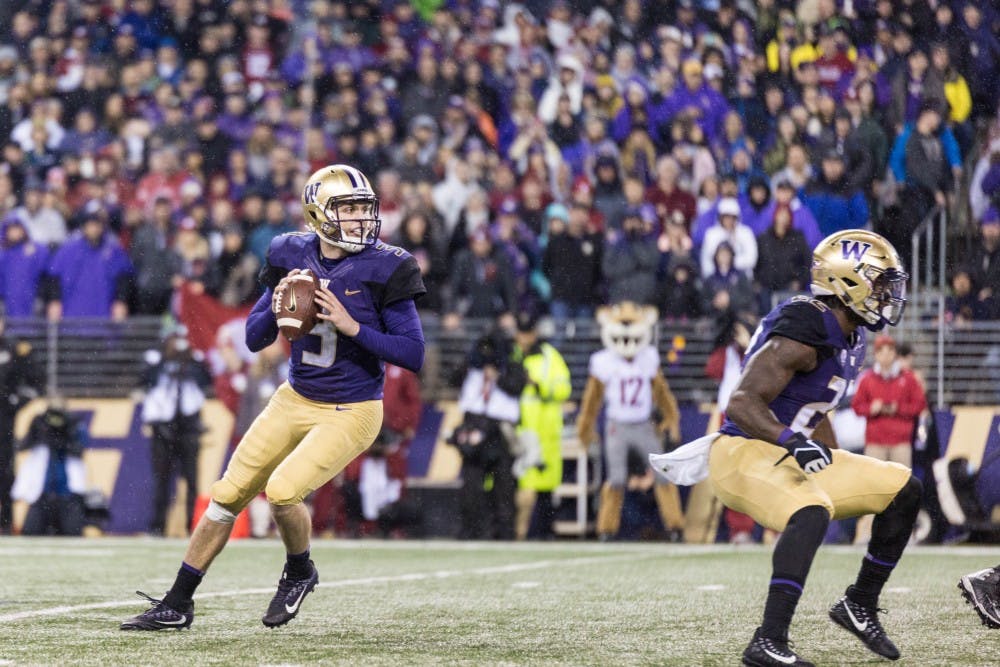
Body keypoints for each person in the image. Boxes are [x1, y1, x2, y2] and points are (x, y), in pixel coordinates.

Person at [121, 164, 426, 630]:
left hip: (353, 408)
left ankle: (299, 570)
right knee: (226, 495)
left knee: (283, 492)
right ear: (318, 213)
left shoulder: (388, 265)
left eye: (365, 210)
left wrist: (353, 327)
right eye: (349, 211)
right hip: (295, 397)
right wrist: (280, 307)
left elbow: (413, 353)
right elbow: (253, 338)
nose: (362, 221)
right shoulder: (290, 252)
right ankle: (178, 603)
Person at [652, 230, 921, 665]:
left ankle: (859, 603)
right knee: (810, 512)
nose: (888, 295)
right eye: (881, 284)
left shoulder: (851, 333)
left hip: (786, 449)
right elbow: (740, 403)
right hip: (742, 450)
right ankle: (768, 640)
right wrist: (793, 442)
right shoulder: (807, 325)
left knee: (905, 489)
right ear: (848, 282)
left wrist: (831, 460)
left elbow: (816, 406)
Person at [577, 302, 683, 542]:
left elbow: (662, 393)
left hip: (643, 424)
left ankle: (675, 526)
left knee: (662, 473)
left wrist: (671, 417)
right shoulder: (603, 361)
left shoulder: (648, 358)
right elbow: (592, 400)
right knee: (615, 479)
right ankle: (606, 529)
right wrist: (586, 427)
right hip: (617, 425)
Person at [850, 334, 927, 545]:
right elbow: (857, 406)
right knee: (871, 488)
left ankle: (904, 534)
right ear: (876, 354)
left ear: (894, 354)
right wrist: (871, 409)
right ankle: (865, 533)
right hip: (875, 441)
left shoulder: (908, 378)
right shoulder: (867, 378)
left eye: (890, 351)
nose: (886, 356)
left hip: (900, 441)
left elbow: (919, 405)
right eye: (881, 351)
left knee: (903, 489)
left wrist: (898, 409)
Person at [139, 324, 212, 536]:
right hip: (163, 428)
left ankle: (193, 527)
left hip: (188, 426)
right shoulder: (156, 360)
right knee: (161, 479)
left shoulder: (194, 361)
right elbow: (145, 380)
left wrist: (187, 359)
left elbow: (204, 380)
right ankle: (157, 527)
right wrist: (167, 359)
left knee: (191, 480)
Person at [510, 312, 571, 540]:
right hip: (521, 428)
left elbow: (564, 388)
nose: (524, 338)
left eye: (527, 333)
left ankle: (545, 531)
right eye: (521, 333)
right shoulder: (512, 354)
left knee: (546, 485)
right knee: (522, 484)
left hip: (546, 428)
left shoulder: (549, 356)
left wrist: (539, 385)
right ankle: (520, 532)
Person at [12, 402, 88, 536]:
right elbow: (22, 446)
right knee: (30, 533)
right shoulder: (40, 426)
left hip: (68, 495)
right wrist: (38, 429)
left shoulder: (74, 425)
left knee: (73, 534)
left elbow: (79, 451)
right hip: (41, 494)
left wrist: (64, 434)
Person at [0, 305, 43, 533]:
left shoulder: (14, 349)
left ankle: (5, 521)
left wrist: (17, 402)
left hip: (4, 419)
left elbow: (36, 379)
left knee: (5, 469)